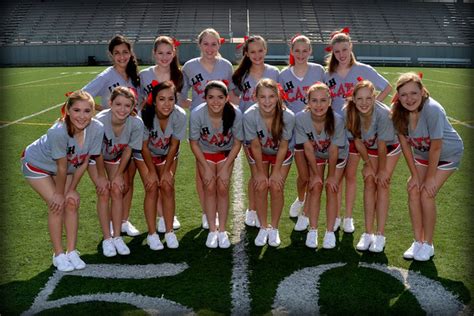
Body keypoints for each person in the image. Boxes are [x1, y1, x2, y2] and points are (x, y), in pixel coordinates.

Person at [21, 90, 104, 271]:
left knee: (72, 202)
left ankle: (72, 251)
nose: (81, 116)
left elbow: (84, 161)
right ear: (67, 111)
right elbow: (61, 167)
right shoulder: (58, 132)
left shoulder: (97, 128)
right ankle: (58, 254)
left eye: (86, 111)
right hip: (38, 165)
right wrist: (59, 194)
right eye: (76, 110)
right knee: (56, 205)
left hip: (66, 168)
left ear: (93, 112)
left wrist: (72, 189)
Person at [324, 28, 392, 233]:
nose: (341, 55)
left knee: (351, 175)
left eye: (345, 49)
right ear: (332, 53)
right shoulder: (328, 74)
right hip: (335, 131)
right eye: (337, 52)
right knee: (335, 175)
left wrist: (369, 109)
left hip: (358, 133)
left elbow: (388, 87)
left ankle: (348, 217)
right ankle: (334, 216)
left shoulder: (364, 69)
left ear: (351, 47)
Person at [391, 72, 463, 261]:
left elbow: (437, 146)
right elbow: (405, 146)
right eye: (404, 94)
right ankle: (418, 241)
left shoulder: (433, 109)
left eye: (414, 93)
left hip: (447, 153)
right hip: (423, 153)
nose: (409, 98)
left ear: (422, 91)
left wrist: (430, 178)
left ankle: (428, 245)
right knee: (413, 189)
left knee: (426, 193)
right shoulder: (398, 112)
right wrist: (414, 174)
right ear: (398, 96)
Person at [83, 34, 141, 237]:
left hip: (130, 133)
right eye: (117, 53)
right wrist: (102, 112)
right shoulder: (107, 75)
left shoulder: (134, 75)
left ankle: (123, 220)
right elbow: (83, 96)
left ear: (130, 53)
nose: (122, 56)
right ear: (111, 55)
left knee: (128, 180)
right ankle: (109, 225)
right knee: (110, 184)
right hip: (109, 137)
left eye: (125, 52)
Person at [180, 28, 235, 229]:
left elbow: (233, 93)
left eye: (214, 44)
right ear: (199, 45)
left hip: (223, 124)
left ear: (219, 45)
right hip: (200, 122)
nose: (210, 48)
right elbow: (180, 92)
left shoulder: (226, 66)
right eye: (206, 44)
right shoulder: (189, 66)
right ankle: (206, 212)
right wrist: (192, 105)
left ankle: (219, 214)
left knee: (221, 168)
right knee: (202, 170)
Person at [345, 80, 401, 252]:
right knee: (369, 181)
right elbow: (357, 141)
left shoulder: (383, 114)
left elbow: (383, 145)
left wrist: (382, 170)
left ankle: (380, 234)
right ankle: (368, 233)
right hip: (369, 148)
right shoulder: (349, 112)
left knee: (382, 184)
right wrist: (368, 164)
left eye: (368, 98)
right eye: (359, 98)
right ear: (353, 98)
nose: (364, 103)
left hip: (389, 148)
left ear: (375, 97)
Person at [88, 87, 144, 257]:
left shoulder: (136, 123)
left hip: (114, 157)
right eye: (118, 104)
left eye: (127, 105)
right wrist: (102, 177)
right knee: (104, 191)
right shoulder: (99, 122)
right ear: (110, 103)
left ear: (133, 106)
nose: (122, 109)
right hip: (94, 158)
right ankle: (107, 239)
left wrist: (119, 174)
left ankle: (117, 236)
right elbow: (95, 153)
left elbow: (128, 150)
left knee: (118, 190)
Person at [231, 35, 279, 228]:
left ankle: (264, 213)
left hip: (272, 130)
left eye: (260, 51)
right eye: (252, 52)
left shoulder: (275, 72)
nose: (257, 55)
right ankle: (252, 209)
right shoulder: (240, 75)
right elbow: (232, 100)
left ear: (265, 51)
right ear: (246, 53)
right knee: (257, 172)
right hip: (250, 130)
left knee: (270, 173)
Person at [278, 35, 325, 231]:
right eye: (297, 50)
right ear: (291, 51)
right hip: (295, 131)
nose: (301, 54)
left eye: (305, 50)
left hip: (317, 129)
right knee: (304, 175)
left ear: (310, 51)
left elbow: (325, 98)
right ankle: (300, 198)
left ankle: (306, 212)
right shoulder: (283, 75)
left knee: (316, 174)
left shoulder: (319, 71)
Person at [189, 80, 243, 248]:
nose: (215, 101)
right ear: (204, 98)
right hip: (205, 155)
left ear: (227, 98)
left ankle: (222, 230)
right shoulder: (197, 114)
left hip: (226, 155)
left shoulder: (235, 113)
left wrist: (226, 168)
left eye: (220, 97)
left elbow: (237, 142)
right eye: (211, 97)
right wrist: (204, 167)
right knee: (210, 188)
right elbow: (194, 143)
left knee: (223, 188)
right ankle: (213, 229)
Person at [294, 82, 348, 249]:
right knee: (315, 186)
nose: (319, 105)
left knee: (332, 188)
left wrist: (331, 175)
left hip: (337, 155)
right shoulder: (301, 118)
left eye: (323, 100)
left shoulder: (337, 120)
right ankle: (313, 229)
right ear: (308, 102)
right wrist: (316, 175)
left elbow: (333, 150)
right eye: (314, 100)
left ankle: (330, 231)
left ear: (330, 102)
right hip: (315, 154)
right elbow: (308, 148)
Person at [139, 35, 184, 233]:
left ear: (174, 53)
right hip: (149, 129)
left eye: (168, 52)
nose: (164, 57)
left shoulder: (180, 75)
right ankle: (159, 216)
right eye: (160, 53)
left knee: (167, 181)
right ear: (154, 54)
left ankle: (167, 215)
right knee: (151, 181)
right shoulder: (144, 75)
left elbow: (184, 101)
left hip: (170, 130)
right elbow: (139, 102)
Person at [243, 78, 295, 247]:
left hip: (281, 152)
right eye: (262, 97)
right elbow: (255, 145)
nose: (267, 101)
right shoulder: (250, 114)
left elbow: (284, 146)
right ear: (255, 97)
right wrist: (259, 172)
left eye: (271, 96)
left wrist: (276, 171)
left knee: (276, 186)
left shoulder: (288, 116)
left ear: (278, 97)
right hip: (260, 152)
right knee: (260, 185)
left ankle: (274, 228)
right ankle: (263, 227)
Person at [136, 81, 187, 250]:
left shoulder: (179, 115)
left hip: (167, 154)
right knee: (151, 187)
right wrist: (152, 171)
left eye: (171, 99)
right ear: (154, 100)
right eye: (162, 99)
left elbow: (174, 145)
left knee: (167, 186)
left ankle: (169, 230)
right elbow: (143, 147)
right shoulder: (143, 116)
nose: (167, 104)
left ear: (176, 99)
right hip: (145, 155)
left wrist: (166, 172)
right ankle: (152, 234)